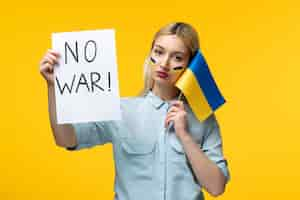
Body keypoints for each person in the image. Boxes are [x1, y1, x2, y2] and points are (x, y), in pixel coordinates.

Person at [39, 22, 230, 200]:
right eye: (159, 52)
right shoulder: (120, 110)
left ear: (190, 65)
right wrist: (53, 88)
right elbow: (66, 139)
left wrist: (184, 135)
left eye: (177, 57)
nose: (164, 63)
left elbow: (216, 187)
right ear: (150, 54)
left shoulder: (204, 118)